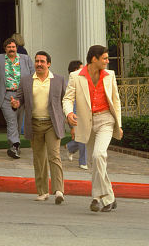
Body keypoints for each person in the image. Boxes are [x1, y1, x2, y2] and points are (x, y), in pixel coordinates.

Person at [62, 45, 123, 212]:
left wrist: (120, 124)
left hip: (105, 120)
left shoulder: (110, 75)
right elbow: (67, 99)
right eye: (104, 58)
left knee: (99, 155)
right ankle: (110, 197)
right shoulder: (76, 76)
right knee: (95, 162)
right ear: (94, 59)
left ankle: (96, 198)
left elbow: (116, 101)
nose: (107, 61)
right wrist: (68, 113)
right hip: (86, 123)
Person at [10, 51, 66, 204]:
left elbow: (65, 101)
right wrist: (16, 103)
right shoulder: (26, 80)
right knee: (39, 158)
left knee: (54, 156)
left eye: (42, 61)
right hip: (34, 124)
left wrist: (70, 119)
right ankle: (42, 191)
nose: (39, 64)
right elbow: (19, 98)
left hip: (52, 124)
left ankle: (59, 190)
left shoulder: (59, 80)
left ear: (49, 64)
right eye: (37, 61)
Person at [0, 38, 34, 159]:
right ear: (5, 49)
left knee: (18, 121)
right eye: (9, 47)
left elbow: (33, 75)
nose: (11, 49)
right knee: (11, 120)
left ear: (16, 48)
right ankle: (14, 144)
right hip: (5, 95)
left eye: (13, 47)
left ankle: (15, 146)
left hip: (21, 95)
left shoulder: (25, 59)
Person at [64, 60, 88, 170]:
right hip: (75, 116)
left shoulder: (83, 82)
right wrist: (72, 124)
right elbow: (70, 103)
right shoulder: (71, 84)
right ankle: (83, 162)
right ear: (75, 70)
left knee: (85, 137)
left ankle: (70, 147)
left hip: (85, 115)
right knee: (83, 138)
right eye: (81, 68)